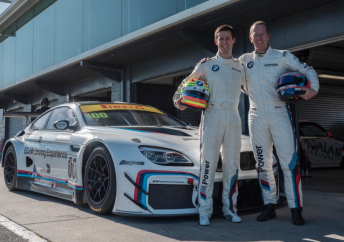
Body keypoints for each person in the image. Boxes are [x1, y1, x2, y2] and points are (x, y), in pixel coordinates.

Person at [239, 21, 319, 225]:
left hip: (279, 113)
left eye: (262, 34)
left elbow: (308, 70)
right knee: (262, 164)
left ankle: (295, 208)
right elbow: (229, 77)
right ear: (250, 38)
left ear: (268, 36)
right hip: (255, 115)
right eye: (254, 35)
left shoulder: (282, 56)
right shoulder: (244, 60)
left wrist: (312, 90)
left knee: (289, 163)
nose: (258, 38)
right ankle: (269, 206)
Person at [173, 25, 246, 226]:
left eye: (227, 38)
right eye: (220, 38)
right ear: (215, 41)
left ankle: (230, 210)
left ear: (233, 41)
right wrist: (178, 100)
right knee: (208, 164)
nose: (224, 42)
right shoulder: (206, 65)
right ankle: (204, 211)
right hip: (212, 114)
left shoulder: (240, 66)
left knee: (232, 165)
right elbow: (185, 84)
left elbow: (251, 89)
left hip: (233, 115)